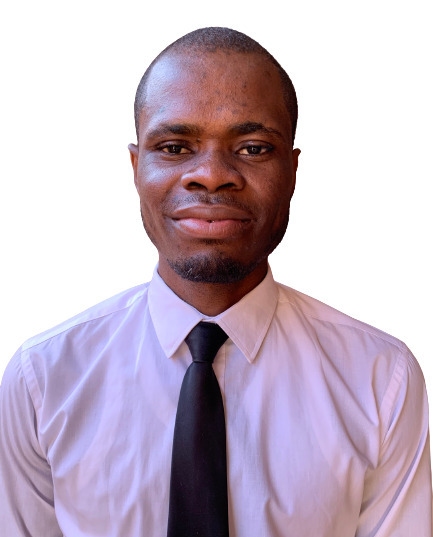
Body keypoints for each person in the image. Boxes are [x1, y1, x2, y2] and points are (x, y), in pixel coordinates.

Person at [0, 27, 431, 537]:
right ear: (136, 167)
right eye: (175, 147)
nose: (210, 174)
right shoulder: (43, 379)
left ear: (292, 171)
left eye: (252, 148)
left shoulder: (380, 380)